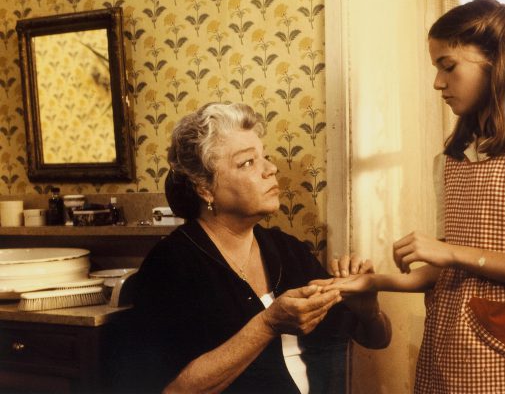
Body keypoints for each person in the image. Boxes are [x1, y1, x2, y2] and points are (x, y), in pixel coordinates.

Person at [312, 0, 505, 393]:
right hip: (453, 343)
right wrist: (371, 283)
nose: (438, 83)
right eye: (436, 68)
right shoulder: (450, 160)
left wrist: (451, 252)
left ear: (497, 63)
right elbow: (446, 271)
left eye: (448, 66)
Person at [118, 102, 391, 393]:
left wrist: (368, 312)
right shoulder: (170, 266)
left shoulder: (288, 251)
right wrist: (267, 324)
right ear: (205, 188)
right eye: (247, 162)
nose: (271, 169)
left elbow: (377, 339)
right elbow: (171, 390)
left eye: (265, 157)